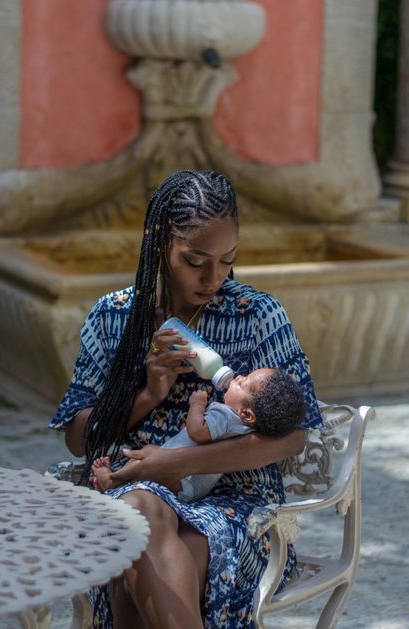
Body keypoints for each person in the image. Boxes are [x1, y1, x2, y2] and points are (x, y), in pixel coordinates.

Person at [49, 170, 322, 629]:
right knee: (138, 513)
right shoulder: (113, 319)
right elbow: (79, 440)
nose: (213, 277)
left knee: (136, 565)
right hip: (130, 488)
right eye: (196, 261)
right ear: (161, 246)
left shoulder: (256, 315)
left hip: (237, 502)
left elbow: (292, 437)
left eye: (227, 260)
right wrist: (146, 394)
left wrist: (170, 465)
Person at [91, 368, 305, 502]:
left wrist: (197, 404)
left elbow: (198, 431)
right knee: (148, 460)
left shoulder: (226, 416)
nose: (238, 377)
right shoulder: (246, 428)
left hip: (182, 478)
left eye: (243, 383)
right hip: (191, 485)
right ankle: (116, 482)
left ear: (247, 414)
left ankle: (112, 481)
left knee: (143, 462)